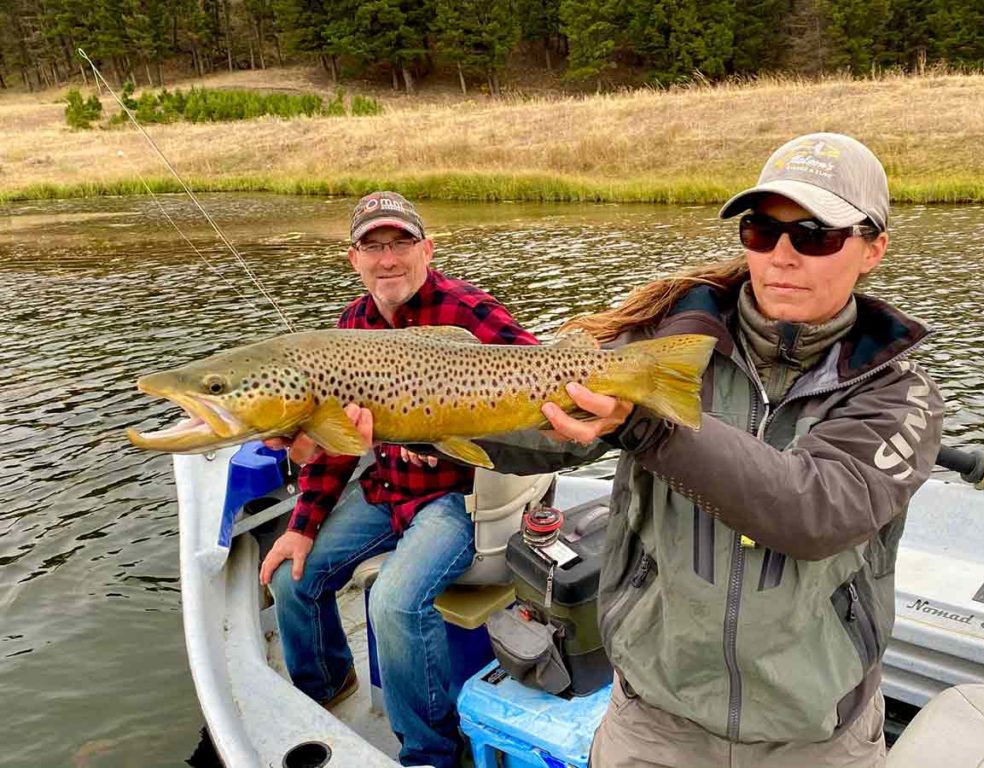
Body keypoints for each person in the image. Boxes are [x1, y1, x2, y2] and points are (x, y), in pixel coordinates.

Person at [320, 134, 944, 767]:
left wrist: (646, 424)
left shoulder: (897, 390)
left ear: (872, 250)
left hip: (816, 731)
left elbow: (813, 512)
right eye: (761, 231)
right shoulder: (660, 339)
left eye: (814, 234)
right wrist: (410, 419)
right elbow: (543, 438)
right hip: (653, 714)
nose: (782, 256)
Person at [259, 190, 537, 768]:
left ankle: (430, 752)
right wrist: (301, 526)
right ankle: (324, 691)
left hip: (457, 501)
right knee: (291, 576)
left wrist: (449, 444)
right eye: (373, 246)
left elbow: (535, 383)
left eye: (401, 243)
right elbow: (337, 445)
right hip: (384, 491)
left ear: (427, 249)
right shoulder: (350, 327)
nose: (388, 259)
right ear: (353, 259)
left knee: (392, 602)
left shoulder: (468, 310)